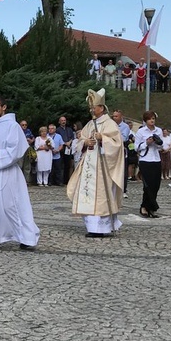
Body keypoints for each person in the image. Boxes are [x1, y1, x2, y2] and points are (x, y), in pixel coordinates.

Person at [0, 96, 40, 251]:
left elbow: (16, 151)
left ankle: (27, 238)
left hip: (8, 172)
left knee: (12, 206)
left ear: (4, 107)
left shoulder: (13, 126)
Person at [66, 88, 125, 238]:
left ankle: (102, 228)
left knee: (100, 196)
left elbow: (117, 143)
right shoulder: (90, 124)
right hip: (88, 165)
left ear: (102, 108)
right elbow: (79, 140)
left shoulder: (109, 123)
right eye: (90, 107)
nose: (91, 110)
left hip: (102, 166)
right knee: (87, 194)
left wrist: (102, 138)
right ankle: (92, 227)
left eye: (94, 107)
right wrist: (85, 141)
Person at [135, 111, 164, 218]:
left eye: (153, 118)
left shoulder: (159, 130)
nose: (152, 121)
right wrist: (147, 143)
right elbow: (136, 147)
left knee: (155, 185)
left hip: (156, 159)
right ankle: (145, 206)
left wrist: (157, 142)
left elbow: (161, 147)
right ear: (145, 120)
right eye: (150, 119)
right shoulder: (141, 132)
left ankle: (150, 206)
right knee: (147, 185)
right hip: (145, 160)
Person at [111, 109, 130, 198]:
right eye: (113, 116)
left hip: (121, 150)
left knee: (123, 170)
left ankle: (123, 189)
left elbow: (123, 138)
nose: (114, 118)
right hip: (111, 150)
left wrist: (113, 137)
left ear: (121, 117)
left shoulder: (125, 126)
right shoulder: (110, 125)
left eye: (116, 116)